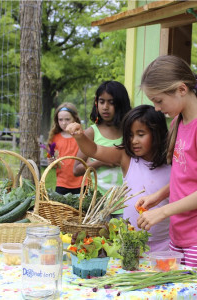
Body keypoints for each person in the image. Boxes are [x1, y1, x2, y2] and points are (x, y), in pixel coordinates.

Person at [136, 55, 197, 281]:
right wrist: (158, 197)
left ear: (180, 89)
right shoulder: (180, 121)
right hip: (180, 234)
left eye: (158, 101)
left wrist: (163, 211)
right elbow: (186, 176)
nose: (157, 108)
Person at [67, 105, 171, 252]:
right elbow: (95, 150)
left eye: (140, 134)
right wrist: (80, 136)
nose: (134, 140)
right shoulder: (127, 157)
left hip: (165, 243)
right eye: (129, 135)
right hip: (129, 242)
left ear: (157, 133)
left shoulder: (173, 161)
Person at [73, 81, 132, 218]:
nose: (105, 107)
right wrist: (101, 162)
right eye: (101, 101)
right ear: (96, 103)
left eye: (111, 102)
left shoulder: (129, 132)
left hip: (125, 203)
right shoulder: (91, 132)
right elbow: (76, 170)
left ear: (121, 104)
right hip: (98, 204)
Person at [47, 102, 83, 195]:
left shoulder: (81, 136)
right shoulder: (54, 138)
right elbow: (52, 162)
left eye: (67, 119)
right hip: (62, 183)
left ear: (75, 119)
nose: (63, 123)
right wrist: (52, 162)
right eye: (60, 120)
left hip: (81, 182)